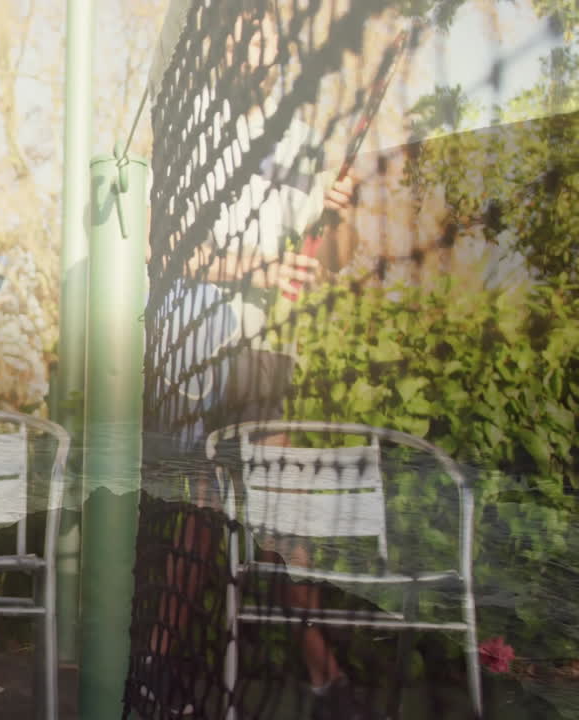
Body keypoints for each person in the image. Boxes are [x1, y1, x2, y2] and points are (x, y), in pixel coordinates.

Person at [138, 1, 372, 718]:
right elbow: (163, 245)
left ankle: (322, 679)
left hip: (265, 349)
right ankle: (162, 672)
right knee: (198, 514)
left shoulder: (299, 135)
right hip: (196, 334)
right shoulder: (189, 125)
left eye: (264, 26)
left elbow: (331, 260)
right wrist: (260, 267)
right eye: (240, 25)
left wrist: (341, 212)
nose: (254, 37)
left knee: (274, 503)